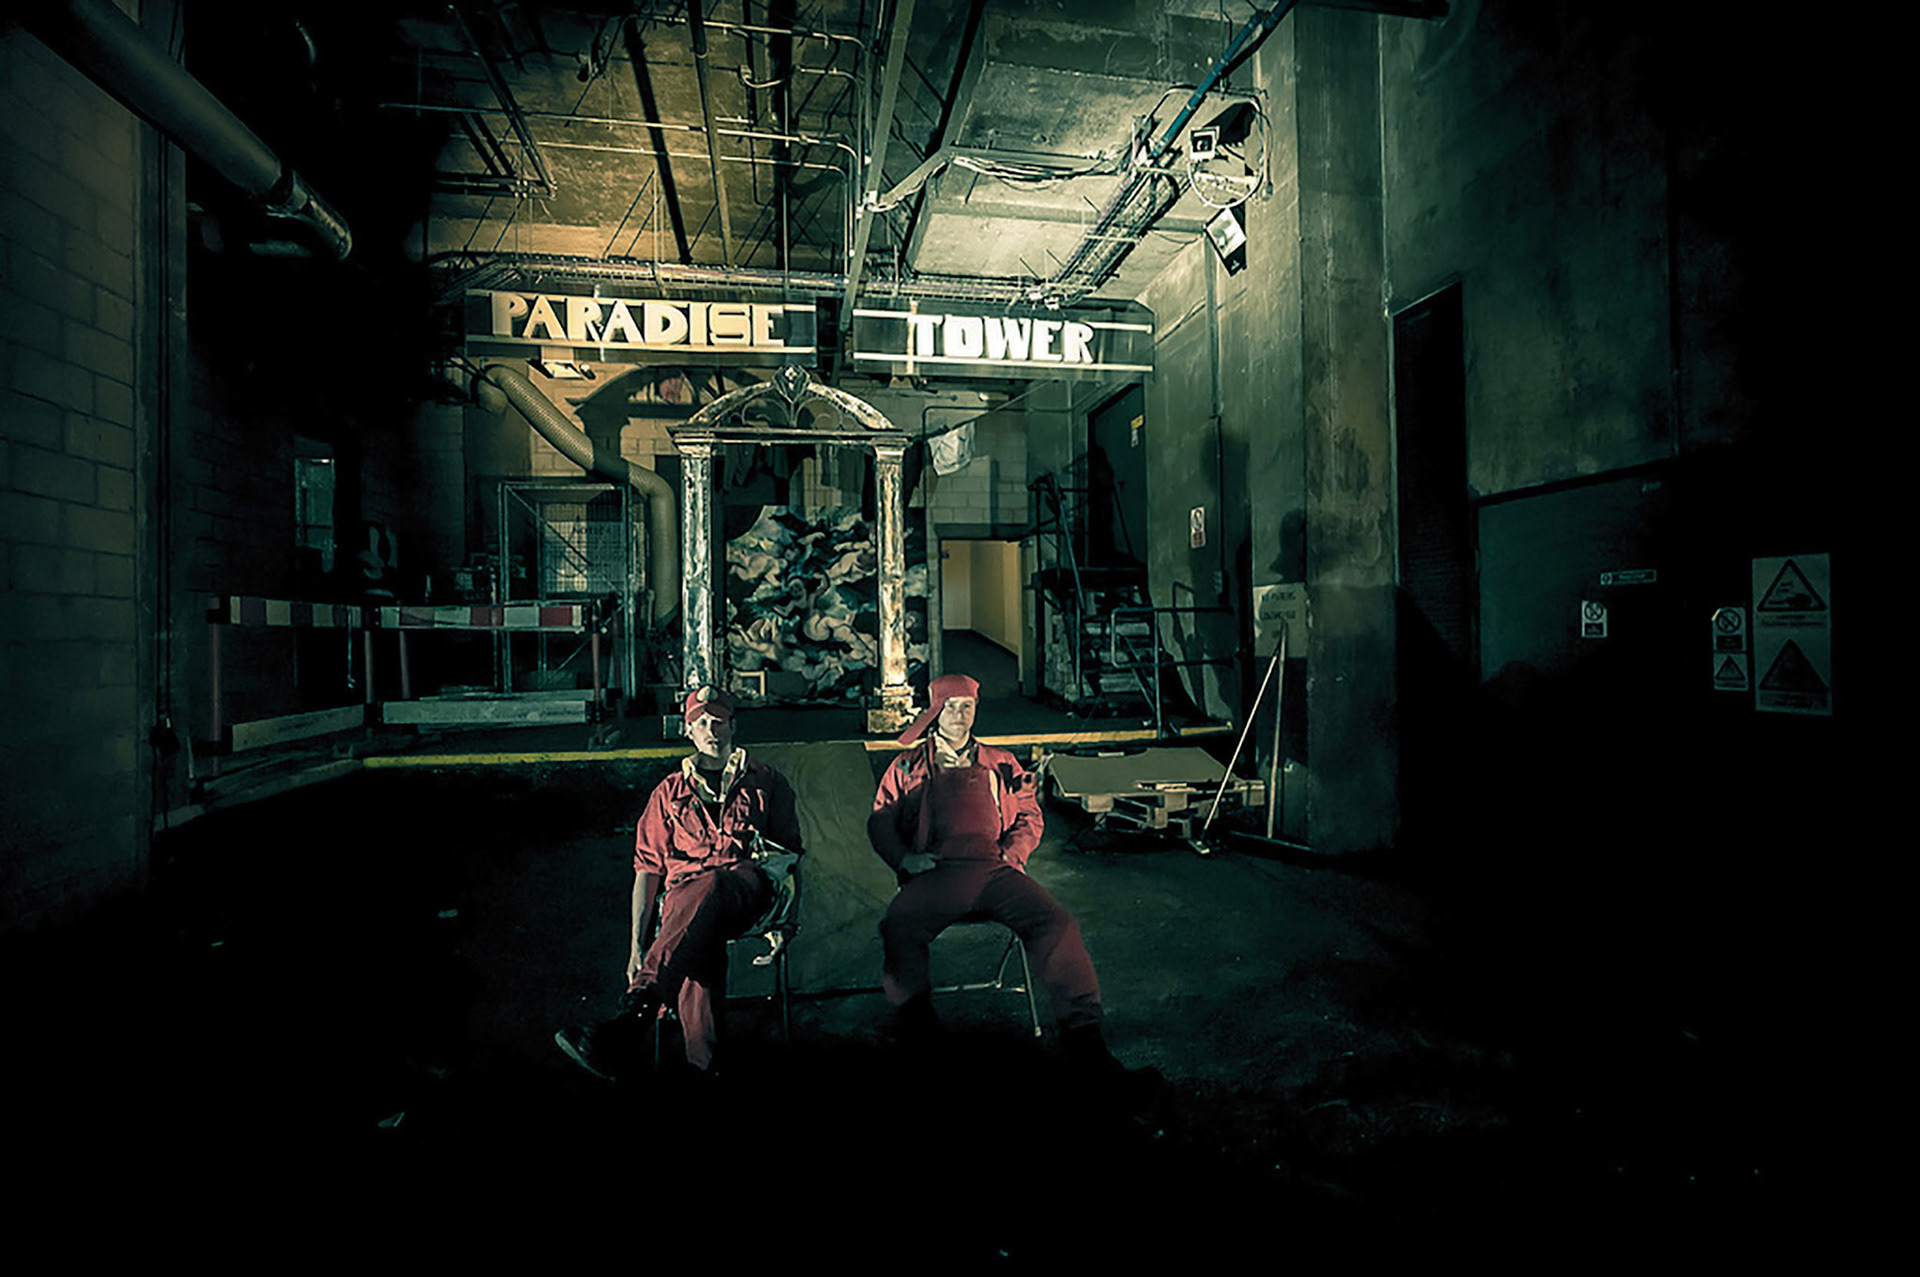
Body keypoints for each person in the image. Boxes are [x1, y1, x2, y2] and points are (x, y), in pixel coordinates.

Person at [868, 673, 1151, 1091]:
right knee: (899, 925)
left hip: (995, 871)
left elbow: (1029, 814)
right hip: (936, 873)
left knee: (1057, 925)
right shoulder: (908, 765)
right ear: (934, 712)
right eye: (950, 707)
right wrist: (905, 859)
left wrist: (1013, 854)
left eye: (967, 707)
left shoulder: (1001, 762)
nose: (960, 716)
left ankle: (1087, 1045)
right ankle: (920, 1036)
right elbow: (881, 820)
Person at [556, 686, 803, 1080]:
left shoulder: (767, 782)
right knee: (696, 938)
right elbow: (647, 870)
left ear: (733, 726)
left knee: (713, 886)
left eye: (718, 721)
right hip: (685, 904)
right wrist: (636, 945)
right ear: (687, 731)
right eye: (700, 723)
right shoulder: (668, 793)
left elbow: (789, 859)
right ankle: (704, 1068)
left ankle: (633, 1017)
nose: (711, 730)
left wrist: (785, 922)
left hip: (745, 893)